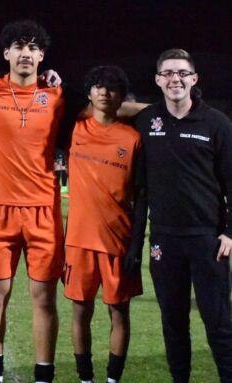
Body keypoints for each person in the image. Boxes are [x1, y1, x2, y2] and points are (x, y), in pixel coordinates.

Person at [0, 20, 84, 383]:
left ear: (42, 55)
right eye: (18, 46)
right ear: (6, 53)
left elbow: (99, 110)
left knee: (44, 300)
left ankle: (44, 375)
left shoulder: (58, 96)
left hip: (43, 212)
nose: (26, 53)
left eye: (33, 47)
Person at [127, 48, 232, 382]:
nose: (176, 79)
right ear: (158, 80)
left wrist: (230, 232)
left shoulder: (216, 123)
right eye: (168, 73)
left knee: (219, 324)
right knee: (173, 324)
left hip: (208, 240)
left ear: (194, 79)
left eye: (182, 73)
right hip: (164, 241)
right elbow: (105, 106)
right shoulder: (147, 120)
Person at [64, 66, 144, 383]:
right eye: (98, 86)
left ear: (121, 96)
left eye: (111, 88)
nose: (104, 92)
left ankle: (113, 379)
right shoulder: (74, 129)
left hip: (118, 241)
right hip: (79, 241)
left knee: (119, 313)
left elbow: (141, 194)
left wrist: (136, 245)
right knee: (80, 312)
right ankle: (86, 378)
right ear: (89, 92)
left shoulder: (134, 139)